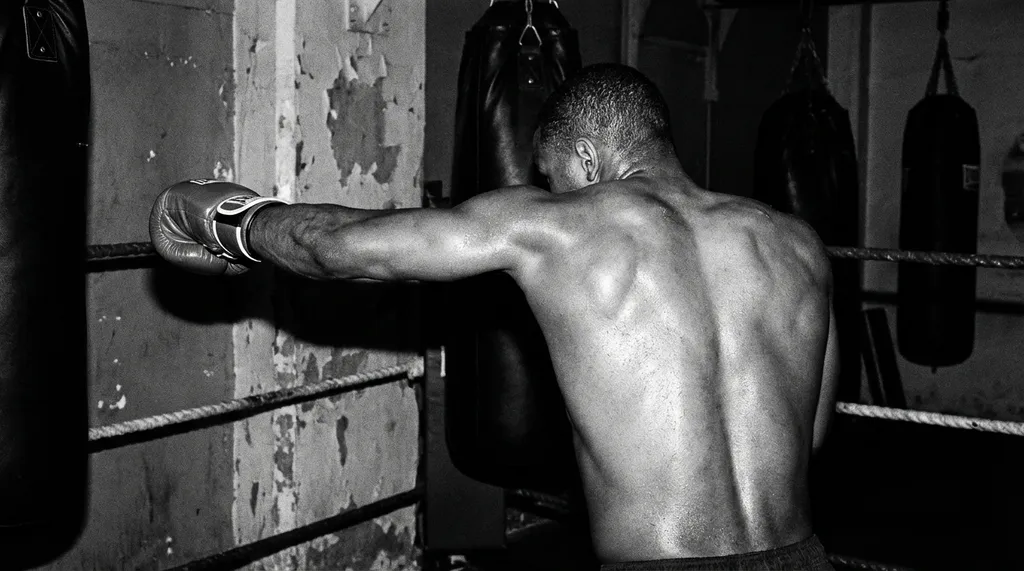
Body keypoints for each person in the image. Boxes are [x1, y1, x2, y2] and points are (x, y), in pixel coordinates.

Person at [151, 63, 838, 570]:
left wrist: (225, 218)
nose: (547, 190)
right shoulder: (795, 243)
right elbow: (804, 438)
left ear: (588, 159)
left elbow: (338, 250)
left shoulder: (557, 227)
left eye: (550, 175)